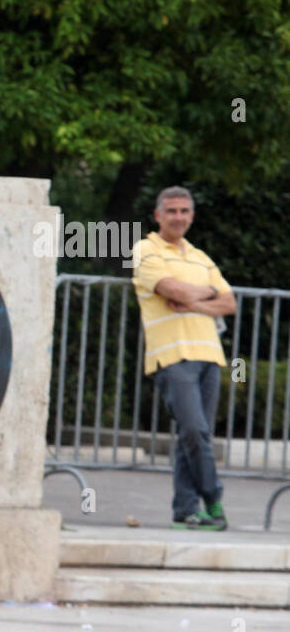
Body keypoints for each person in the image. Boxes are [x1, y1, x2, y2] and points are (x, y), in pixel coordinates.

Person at [130, 186, 236, 530]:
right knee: (193, 431)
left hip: (210, 354)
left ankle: (186, 511)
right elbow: (170, 290)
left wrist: (194, 301)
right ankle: (214, 500)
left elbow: (229, 303)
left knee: (197, 435)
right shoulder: (145, 250)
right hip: (172, 355)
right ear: (158, 215)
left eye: (184, 211)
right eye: (171, 211)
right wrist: (206, 293)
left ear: (192, 215)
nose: (178, 217)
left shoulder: (201, 257)